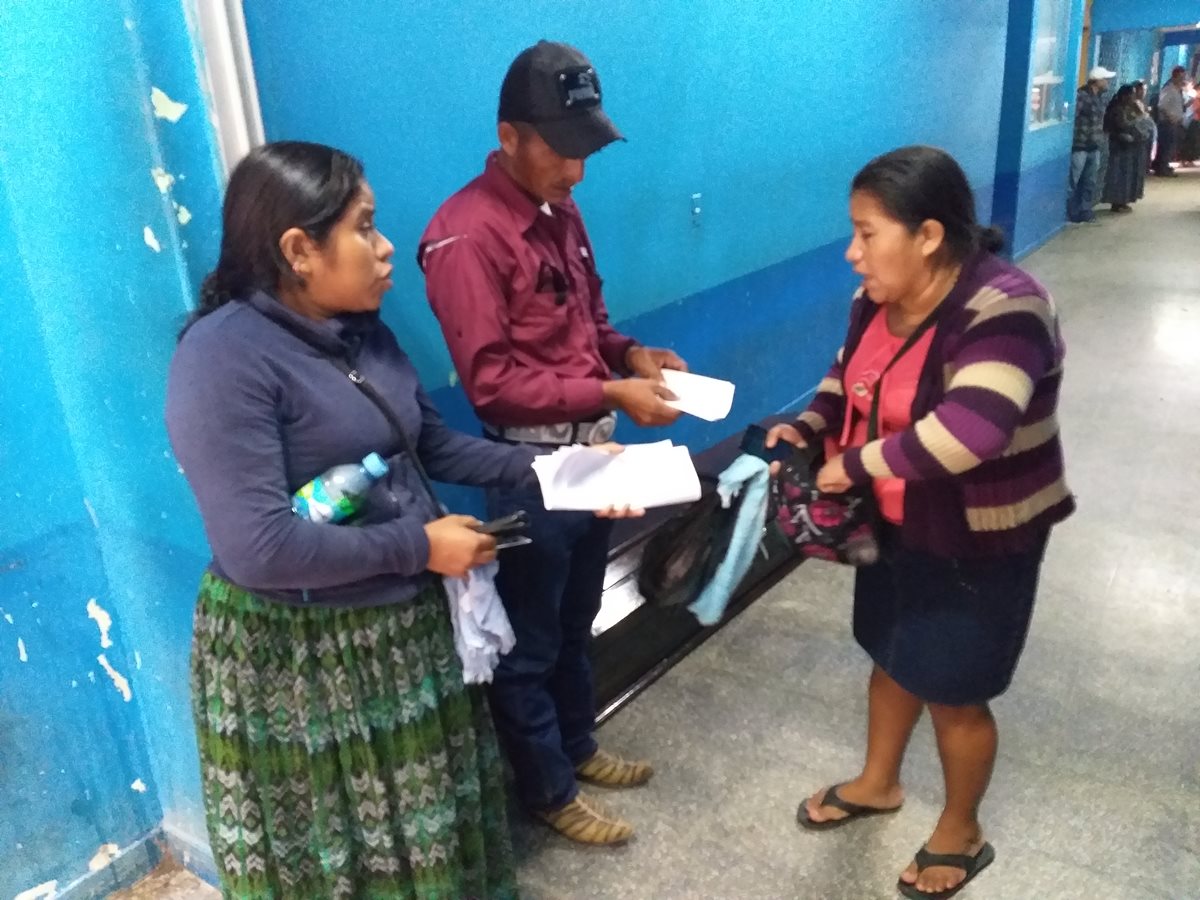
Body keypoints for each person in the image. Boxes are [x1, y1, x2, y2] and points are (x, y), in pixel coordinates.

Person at [166, 141, 630, 898]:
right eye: (364, 227)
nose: (386, 248)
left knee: (427, 833)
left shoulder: (363, 332)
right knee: (347, 852)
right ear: (298, 250)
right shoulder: (222, 359)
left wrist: (565, 470)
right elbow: (258, 548)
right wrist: (419, 546)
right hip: (305, 660)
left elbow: (431, 444)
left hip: (402, 633)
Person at [768, 146, 1074, 899]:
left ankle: (962, 831)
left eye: (867, 233)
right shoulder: (878, 298)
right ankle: (879, 783)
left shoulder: (1007, 307)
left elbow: (974, 431)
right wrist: (808, 428)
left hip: (978, 537)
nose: (853, 252)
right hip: (896, 523)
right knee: (893, 653)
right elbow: (846, 378)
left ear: (929, 235)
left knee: (954, 690)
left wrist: (855, 463)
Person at [419, 41, 687, 846]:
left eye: (586, 152)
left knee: (577, 618)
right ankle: (547, 789)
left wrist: (631, 356)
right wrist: (610, 391)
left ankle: (578, 746)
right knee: (530, 642)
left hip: (596, 457)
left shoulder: (558, 210)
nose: (577, 172)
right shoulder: (465, 237)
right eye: (563, 151)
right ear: (509, 137)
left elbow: (588, 325)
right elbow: (492, 385)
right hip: (530, 469)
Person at [1068, 66, 1114, 222]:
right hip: (1080, 146)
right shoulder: (1081, 96)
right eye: (1105, 79)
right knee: (1073, 181)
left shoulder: (1099, 98)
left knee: (1090, 182)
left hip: (1093, 147)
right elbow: (1073, 118)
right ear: (1097, 81)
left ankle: (1085, 210)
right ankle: (1070, 212)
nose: (1107, 82)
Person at [1102, 84, 1151, 212]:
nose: (1133, 97)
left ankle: (1123, 201)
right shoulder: (1117, 109)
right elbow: (1122, 125)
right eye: (1131, 94)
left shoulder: (1129, 107)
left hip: (1129, 147)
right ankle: (1117, 202)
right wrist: (1139, 119)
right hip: (1119, 147)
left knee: (1127, 176)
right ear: (1125, 96)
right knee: (1119, 175)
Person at [1154, 66, 1188, 176]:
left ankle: (1164, 166)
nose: (1183, 80)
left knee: (1170, 146)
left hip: (1175, 122)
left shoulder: (1178, 90)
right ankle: (1162, 168)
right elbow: (1162, 105)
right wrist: (1170, 117)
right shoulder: (1169, 89)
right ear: (1175, 77)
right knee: (1166, 146)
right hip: (1168, 123)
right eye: (1181, 77)